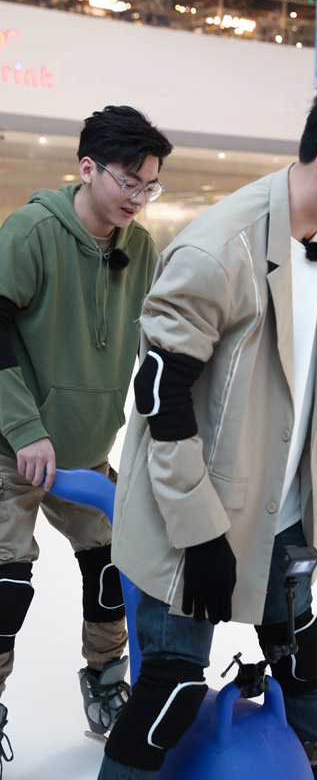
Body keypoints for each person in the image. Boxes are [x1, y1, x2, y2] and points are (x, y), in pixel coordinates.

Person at [98, 75, 317, 780]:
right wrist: (201, 533)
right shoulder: (219, 249)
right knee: (170, 690)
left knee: (302, 653)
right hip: (192, 515)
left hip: (281, 510)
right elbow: (161, 398)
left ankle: (316, 768)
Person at [0, 106, 173, 762]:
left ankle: (105, 682)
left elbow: (159, 338)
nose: (138, 197)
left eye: (150, 185)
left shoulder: (141, 248)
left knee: (112, 567)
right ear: (88, 168)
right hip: (10, 450)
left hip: (87, 455)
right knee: (6, 589)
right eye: (129, 181)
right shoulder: (32, 231)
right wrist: (24, 428)